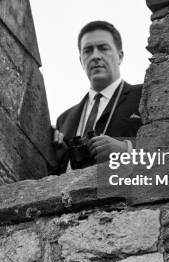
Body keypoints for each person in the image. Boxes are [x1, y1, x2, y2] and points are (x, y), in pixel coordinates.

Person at [52, 20, 142, 174]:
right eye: (87, 50)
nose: (95, 56)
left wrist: (125, 150)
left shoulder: (143, 95)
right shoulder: (63, 120)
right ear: (81, 60)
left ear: (120, 56)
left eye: (103, 48)